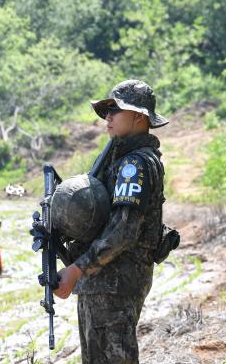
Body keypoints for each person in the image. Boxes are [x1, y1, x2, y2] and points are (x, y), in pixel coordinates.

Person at [54, 79, 169, 363]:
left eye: (115, 111)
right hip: (104, 282)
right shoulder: (118, 158)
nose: (108, 118)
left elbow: (123, 230)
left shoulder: (135, 165)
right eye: (107, 111)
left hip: (116, 284)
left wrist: (76, 270)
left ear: (138, 117)